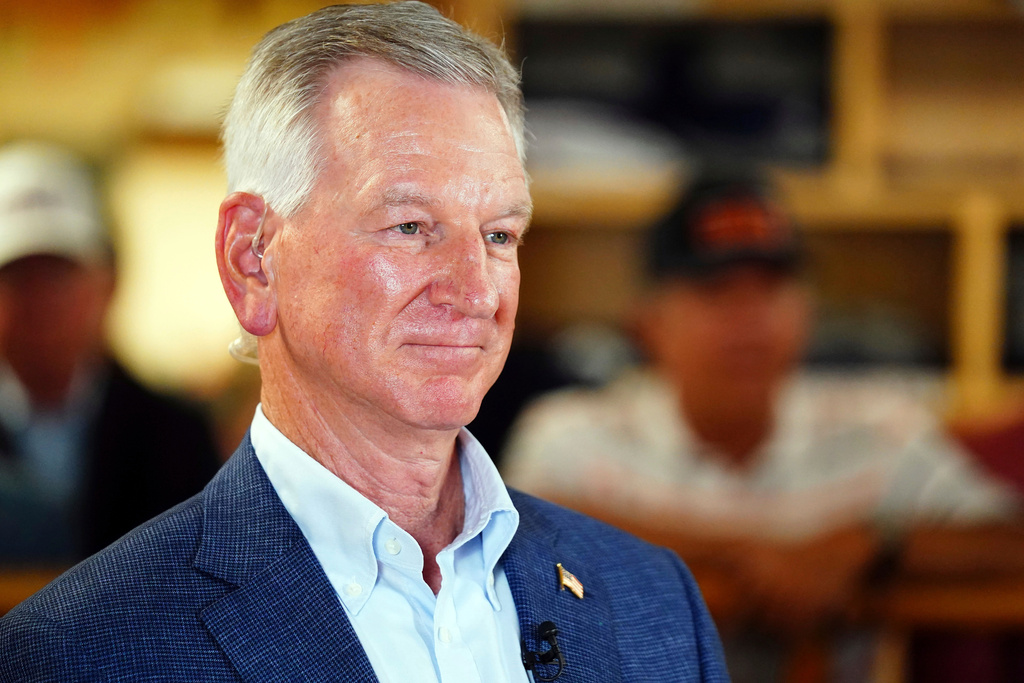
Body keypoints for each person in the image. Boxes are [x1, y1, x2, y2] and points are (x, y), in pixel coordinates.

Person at [0, 4, 729, 682]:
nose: (476, 290)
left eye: (500, 234)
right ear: (253, 258)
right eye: (410, 227)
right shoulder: (75, 652)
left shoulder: (655, 605)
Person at [501, 172, 1022, 681]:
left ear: (808, 312)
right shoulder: (570, 432)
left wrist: (871, 545)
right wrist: (762, 555)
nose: (750, 317)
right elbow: (512, 540)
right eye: (717, 290)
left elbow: (1007, 538)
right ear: (650, 323)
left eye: (772, 287)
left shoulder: (880, 428)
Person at [0, 140, 220, 564]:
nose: (41, 299)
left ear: (110, 280)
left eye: (59, 273)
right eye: (17, 275)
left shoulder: (177, 436)